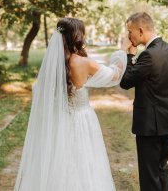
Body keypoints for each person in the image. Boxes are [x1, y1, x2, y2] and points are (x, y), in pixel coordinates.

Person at [14, 17, 128, 191]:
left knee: (58, 163)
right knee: (84, 164)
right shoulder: (82, 62)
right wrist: (121, 53)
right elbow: (115, 75)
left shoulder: (52, 64)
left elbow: (40, 90)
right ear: (77, 36)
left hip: (58, 122)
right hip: (82, 121)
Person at [120, 12, 168, 191]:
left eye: (129, 32)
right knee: (162, 168)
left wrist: (129, 56)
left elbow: (125, 82)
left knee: (149, 175)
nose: (128, 36)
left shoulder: (149, 55)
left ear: (140, 30)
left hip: (150, 126)